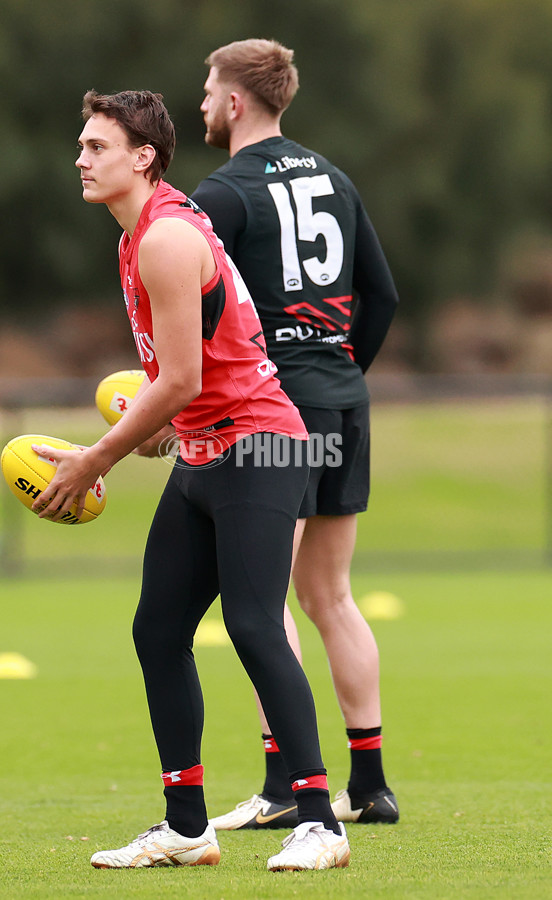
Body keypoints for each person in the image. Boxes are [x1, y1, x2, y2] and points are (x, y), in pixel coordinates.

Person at [31, 88, 350, 872]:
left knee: (251, 623)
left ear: (143, 156)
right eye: (81, 144)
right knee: (158, 632)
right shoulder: (137, 236)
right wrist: (163, 428)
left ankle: (320, 822)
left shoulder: (165, 240)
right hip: (207, 455)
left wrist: (95, 458)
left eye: (96, 146)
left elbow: (180, 378)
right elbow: (190, 378)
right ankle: (185, 826)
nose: (80, 157)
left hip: (260, 449)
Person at [190, 39, 400, 830]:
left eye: (209, 92)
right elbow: (380, 295)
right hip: (344, 402)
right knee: (330, 594)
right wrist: (338, 374)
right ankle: (370, 782)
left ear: (237, 101)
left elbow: (201, 308)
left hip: (280, 412)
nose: (204, 105)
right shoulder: (334, 177)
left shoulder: (224, 190)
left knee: (265, 593)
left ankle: (285, 785)